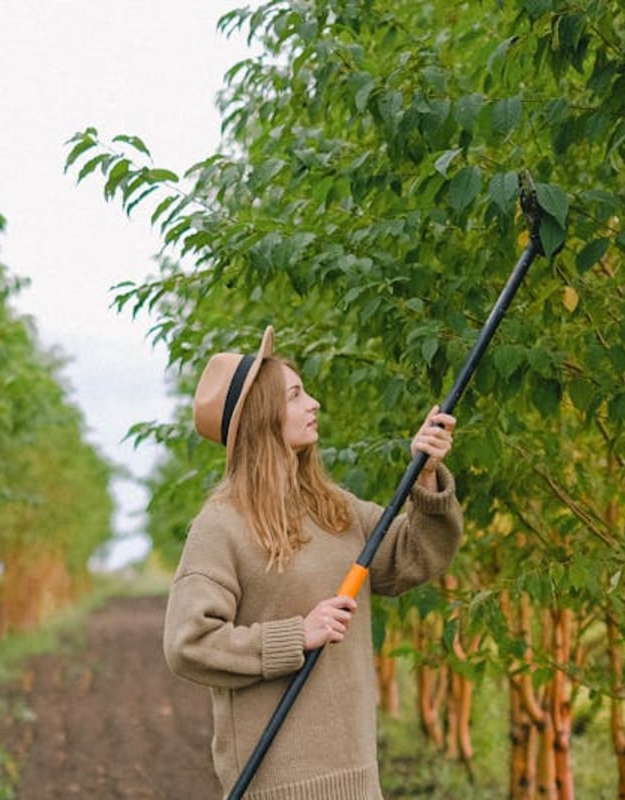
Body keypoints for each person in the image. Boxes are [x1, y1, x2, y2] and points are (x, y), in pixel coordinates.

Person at [163, 327, 464, 798]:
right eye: (297, 395)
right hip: (278, 782)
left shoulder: (332, 508)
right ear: (264, 416)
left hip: (357, 774)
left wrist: (425, 473)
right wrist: (295, 636)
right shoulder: (221, 525)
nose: (315, 403)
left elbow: (413, 555)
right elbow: (189, 642)